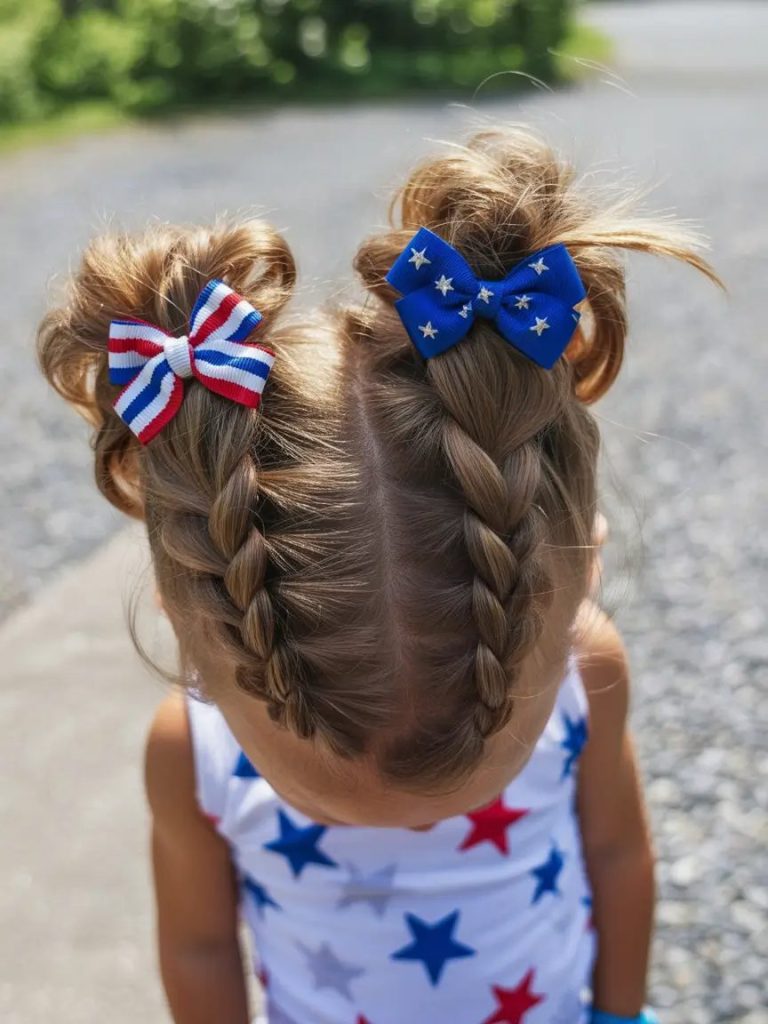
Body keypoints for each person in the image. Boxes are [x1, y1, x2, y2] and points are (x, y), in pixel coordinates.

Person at [37, 128, 718, 1024]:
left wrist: (620, 1013)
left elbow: (618, 853)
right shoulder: (187, 755)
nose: (395, 836)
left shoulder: (593, 677)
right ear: (191, 634)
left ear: (577, 577)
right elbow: (199, 945)